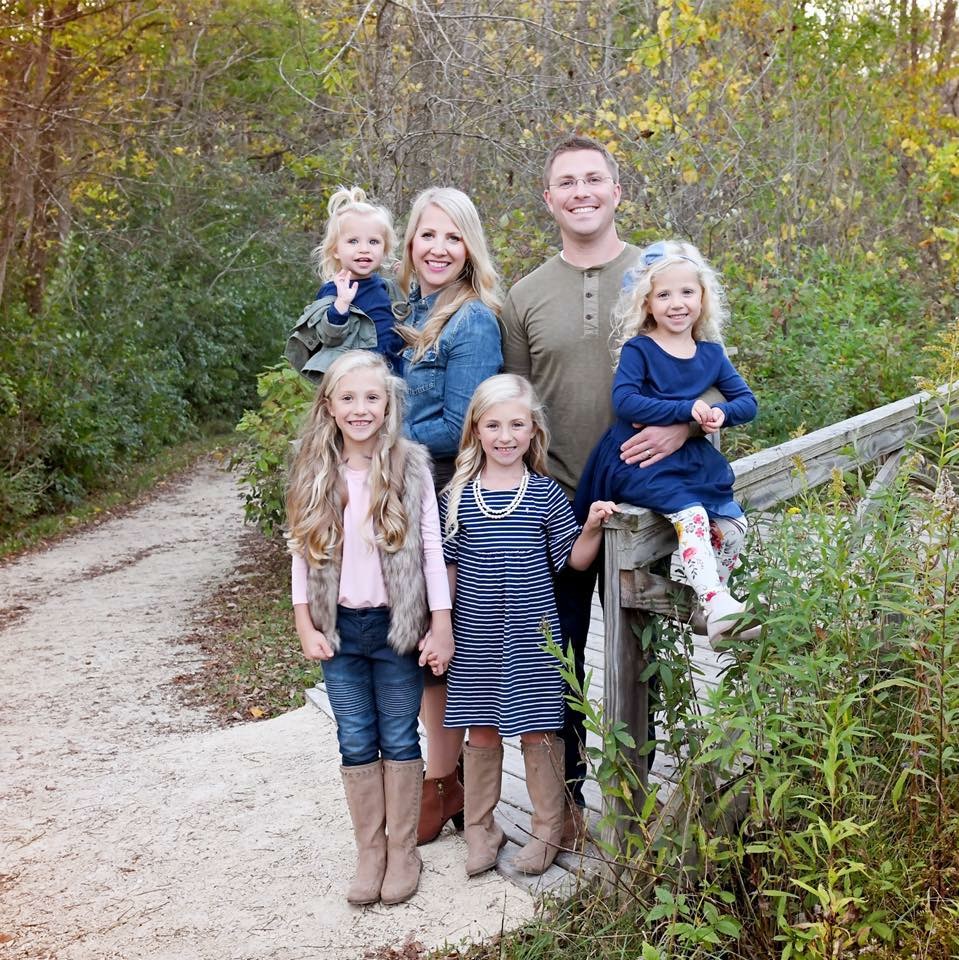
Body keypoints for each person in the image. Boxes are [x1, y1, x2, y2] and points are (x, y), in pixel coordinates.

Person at [500, 135, 720, 841]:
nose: (581, 192)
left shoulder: (658, 274)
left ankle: (630, 801)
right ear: (548, 199)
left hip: (650, 501)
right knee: (554, 658)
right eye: (565, 182)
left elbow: (710, 377)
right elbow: (513, 405)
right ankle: (560, 810)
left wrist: (685, 433)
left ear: (617, 191)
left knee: (639, 662)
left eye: (594, 179)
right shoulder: (526, 294)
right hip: (561, 499)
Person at [286, 350, 454, 906]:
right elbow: (301, 553)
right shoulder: (313, 467)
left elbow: (432, 548)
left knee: (401, 735)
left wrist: (440, 623)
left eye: (372, 398)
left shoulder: (410, 466)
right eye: (348, 398)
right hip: (339, 631)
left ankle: (403, 850)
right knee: (355, 737)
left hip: (396, 629)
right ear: (329, 406)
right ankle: (371, 852)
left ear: (389, 404)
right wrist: (304, 622)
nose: (361, 409)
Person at [438, 374, 617, 876]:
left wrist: (592, 528)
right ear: (475, 431)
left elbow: (573, 562)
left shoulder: (545, 494)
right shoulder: (456, 497)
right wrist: (443, 628)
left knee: (540, 732)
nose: (505, 435)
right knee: (482, 731)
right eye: (493, 425)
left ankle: (546, 828)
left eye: (517, 424)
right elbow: (448, 571)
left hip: (534, 637)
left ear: (533, 430)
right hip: (476, 636)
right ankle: (481, 828)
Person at [575, 240, 760, 645]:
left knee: (733, 525)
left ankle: (711, 606)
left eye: (687, 292)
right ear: (646, 304)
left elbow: (748, 402)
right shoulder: (639, 349)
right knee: (691, 516)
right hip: (638, 461)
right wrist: (686, 408)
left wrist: (720, 414)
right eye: (664, 294)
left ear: (703, 298)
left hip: (688, 460)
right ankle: (715, 601)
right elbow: (624, 401)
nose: (677, 303)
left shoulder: (711, 354)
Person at [394, 187, 504, 846]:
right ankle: (444, 777)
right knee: (414, 645)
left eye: (452, 237)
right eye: (426, 235)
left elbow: (466, 427)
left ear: (469, 248)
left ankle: (444, 785)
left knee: (442, 652)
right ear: (410, 243)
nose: (437, 248)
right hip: (400, 496)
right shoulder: (408, 309)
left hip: (444, 499)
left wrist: (384, 429)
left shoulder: (472, 322)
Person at [285, 187, 405, 381]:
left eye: (373, 242)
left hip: (393, 374)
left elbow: (408, 321)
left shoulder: (386, 287)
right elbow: (328, 336)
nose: (364, 249)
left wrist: (408, 282)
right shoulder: (333, 290)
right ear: (336, 250)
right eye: (353, 241)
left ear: (385, 250)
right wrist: (341, 305)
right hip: (356, 380)